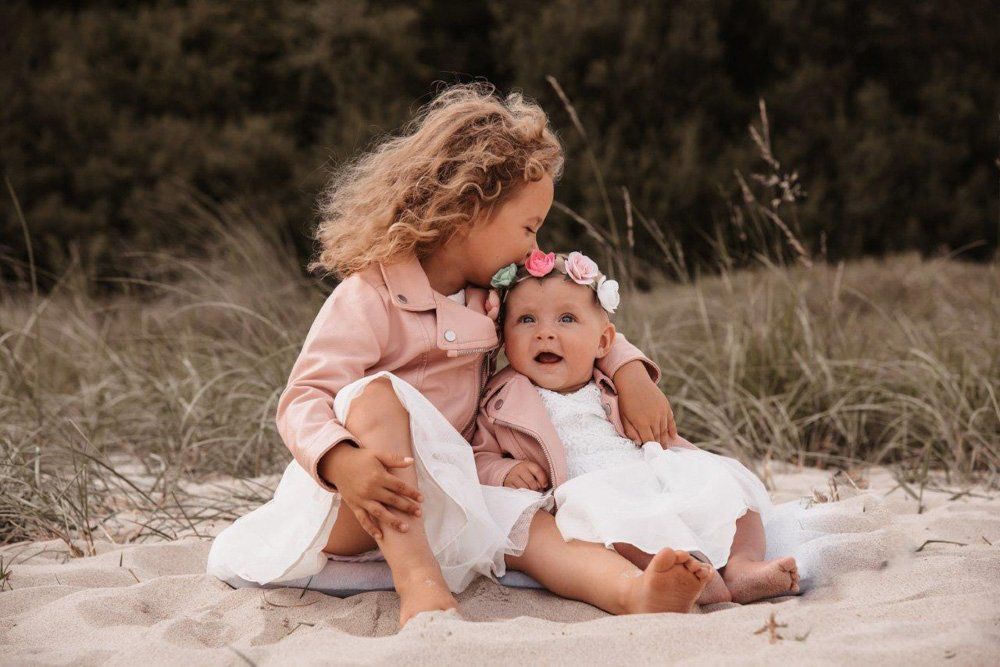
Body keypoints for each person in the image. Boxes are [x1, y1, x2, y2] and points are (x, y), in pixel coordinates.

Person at [207, 83, 713, 627]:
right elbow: (304, 396)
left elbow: (572, 321)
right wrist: (342, 461)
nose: (535, 248)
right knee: (376, 395)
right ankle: (419, 584)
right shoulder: (369, 295)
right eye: (528, 227)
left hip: (454, 490)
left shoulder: (493, 296)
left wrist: (630, 371)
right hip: (360, 495)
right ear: (468, 209)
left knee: (533, 529)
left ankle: (633, 592)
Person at [472, 250, 801, 605]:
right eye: (526, 320)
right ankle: (693, 573)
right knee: (622, 525)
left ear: (602, 342)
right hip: (590, 489)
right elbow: (478, 455)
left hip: (650, 468)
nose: (545, 333)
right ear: (504, 339)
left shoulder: (608, 381)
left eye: (566, 319)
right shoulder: (501, 399)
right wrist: (506, 471)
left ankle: (742, 566)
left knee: (728, 490)